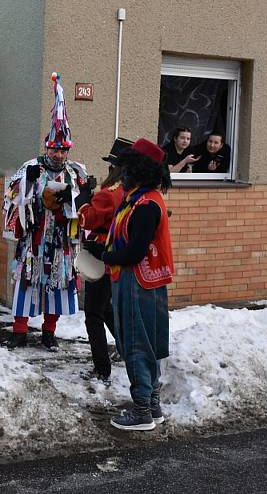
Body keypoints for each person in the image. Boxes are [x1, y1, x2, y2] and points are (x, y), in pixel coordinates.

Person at [84, 138, 174, 431]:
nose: (120, 173)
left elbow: (135, 251)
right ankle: (152, 404)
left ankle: (142, 410)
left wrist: (104, 254)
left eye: (125, 168)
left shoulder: (147, 205)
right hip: (133, 280)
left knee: (137, 343)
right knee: (143, 342)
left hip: (138, 283)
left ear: (139, 170)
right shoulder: (136, 198)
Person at [2, 73, 94, 351]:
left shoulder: (76, 172)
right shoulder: (30, 167)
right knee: (27, 282)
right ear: (47, 147)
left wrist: (74, 201)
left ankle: (49, 333)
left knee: (57, 284)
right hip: (35, 238)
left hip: (62, 241)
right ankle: (19, 332)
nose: (59, 155)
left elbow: (86, 205)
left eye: (64, 151)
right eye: (55, 150)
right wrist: (31, 194)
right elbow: (12, 198)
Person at [76, 138, 129, 384]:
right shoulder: (126, 191)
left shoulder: (108, 194)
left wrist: (83, 198)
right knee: (105, 308)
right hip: (116, 256)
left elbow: (88, 219)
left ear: (113, 168)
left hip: (101, 257)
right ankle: (127, 349)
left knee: (93, 315)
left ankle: (101, 368)